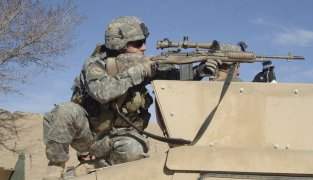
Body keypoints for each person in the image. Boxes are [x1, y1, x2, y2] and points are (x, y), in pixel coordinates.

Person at [43, 16, 220, 179]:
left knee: (135, 150)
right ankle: (56, 167)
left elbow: (173, 75)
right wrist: (140, 71)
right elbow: (101, 91)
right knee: (65, 111)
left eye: (144, 42)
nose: (144, 47)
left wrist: (198, 72)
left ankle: (88, 169)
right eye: (137, 43)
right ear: (119, 45)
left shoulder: (144, 64)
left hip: (118, 138)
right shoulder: (96, 63)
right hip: (88, 134)